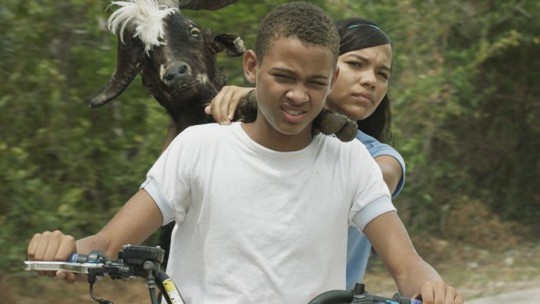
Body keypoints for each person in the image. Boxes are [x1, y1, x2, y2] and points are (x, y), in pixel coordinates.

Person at [27, 2, 462, 304]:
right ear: (251, 67)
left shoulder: (350, 162)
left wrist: (432, 287)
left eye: (315, 82)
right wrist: (64, 250)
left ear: (331, 81)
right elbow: (106, 243)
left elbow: (407, 267)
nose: (297, 95)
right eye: (283, 77)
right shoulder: (198, 147)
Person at [205, 18, 404, 289]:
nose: (370, 81)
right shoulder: (244, 139)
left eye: (383, 74)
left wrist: (262, 99)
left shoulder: (377, 157)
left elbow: (374, 178)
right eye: (356, 64)